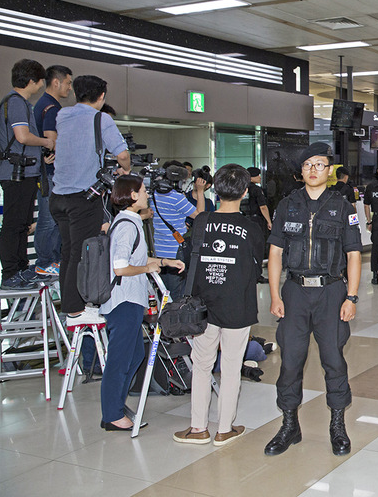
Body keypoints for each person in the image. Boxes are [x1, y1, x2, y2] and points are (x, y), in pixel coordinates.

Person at [264, 142, 361, 457]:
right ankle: (289, 424)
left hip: (331, 293)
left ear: (329, 170)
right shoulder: (287, 205)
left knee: (333, 360)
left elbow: (354, 254)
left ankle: (337, 425)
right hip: (294, 293)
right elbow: (275, 253)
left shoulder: (342, 206)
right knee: (290, 361)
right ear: (300, 171)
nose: (313, 170)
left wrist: (352, 296)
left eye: (320, 165)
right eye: (308, 165)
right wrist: (275, 293)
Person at [174, 164, 263, 447]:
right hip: (238, 305)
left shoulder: (201, 221)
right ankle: (225, 429)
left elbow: (190, 260)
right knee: (231, 366)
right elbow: (255, 264)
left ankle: (198, 428)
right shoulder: (251, 228)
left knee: (202, 366)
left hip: (203, 306)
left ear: (214, 188)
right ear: (245, 192)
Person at [102, 174, 184, 430]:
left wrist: (163, 263)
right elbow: (120, 268)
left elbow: (135, 260)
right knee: (120, 358)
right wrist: (148, 269)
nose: (148, 194)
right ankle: (112, 414)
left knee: (135, 354)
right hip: (123, 301)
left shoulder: (130, 221)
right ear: (133, 195)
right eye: (144, 190)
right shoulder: (127, 224)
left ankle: (115, 406)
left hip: (130, 301)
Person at [50, 75, 129, 323]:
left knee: (68, 251)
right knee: (81, 252)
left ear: (76, 94)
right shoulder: (101, 118)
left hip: (58, 196)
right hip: (83, 198)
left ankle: (69, 303)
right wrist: (125, 170)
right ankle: (75, 308)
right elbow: (123, 153)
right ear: (102, 96)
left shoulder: (62, 116)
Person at [0, 59, 55, 289]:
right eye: (41, 81)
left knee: (22, 223)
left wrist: (39, 156)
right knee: (14, 224)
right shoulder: (16, 102)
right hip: (16, 173)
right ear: (32, 81)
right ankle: (11, 272)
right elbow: (22, 136)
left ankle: (20, 269)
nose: (42, 85)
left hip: (23, 170)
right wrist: (47, 141)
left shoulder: (16, 103)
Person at [32, 64, 72, 279]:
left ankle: (50, 261)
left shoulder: (42, 104)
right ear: (56, 82)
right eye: (68, 83)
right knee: (50, 218)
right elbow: (51, 140)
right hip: (49, 173)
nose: (70, 89)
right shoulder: (51, 107)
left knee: (52, 217)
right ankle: (46, 261)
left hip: (45, 171)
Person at [149, 161, 206, 300]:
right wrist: (200, 191)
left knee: (163, 290)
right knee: (177, 292)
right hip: (175, 250)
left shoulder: (153, 195)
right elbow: (199, 215)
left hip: (159, 250)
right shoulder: (176, 197)